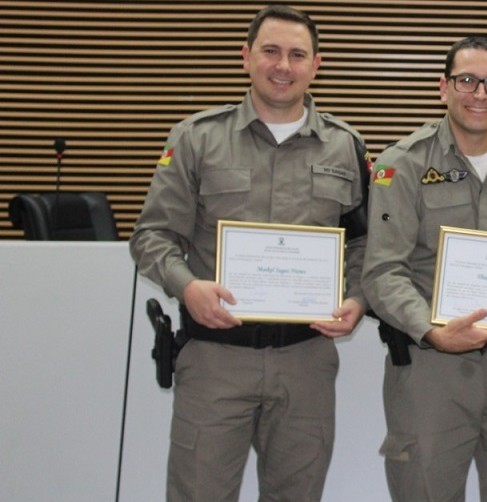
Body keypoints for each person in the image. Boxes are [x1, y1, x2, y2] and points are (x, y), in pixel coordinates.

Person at [129, 5, 370, 500]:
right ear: (246, 57)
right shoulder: (197, 138)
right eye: (271, 51)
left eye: (297, 54)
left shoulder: (345, 147)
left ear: (316, 65)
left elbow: (365, 243)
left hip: (306, 360)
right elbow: (152, 235)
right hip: (216, 358)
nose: (283, 65)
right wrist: (187, 287)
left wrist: (358, 299)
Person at [361, 36, 487, 501]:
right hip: (432, 366)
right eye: (466, 80)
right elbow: (382, 272)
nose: (479, 93)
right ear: (443, 87)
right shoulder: (402, 163)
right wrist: (432, 331)